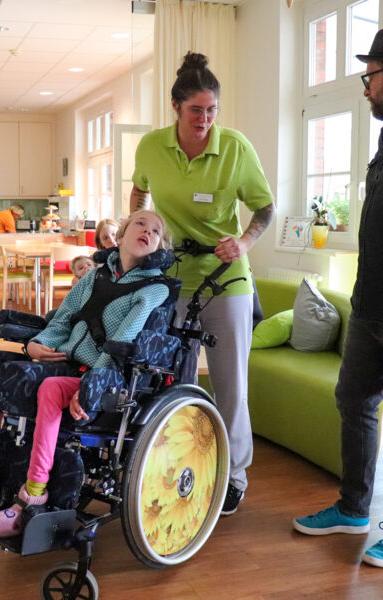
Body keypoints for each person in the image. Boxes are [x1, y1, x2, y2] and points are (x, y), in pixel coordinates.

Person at [0, 210, 172, 536]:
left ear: (159, 246)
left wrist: (91, 384)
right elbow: (61, 320)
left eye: (156, 231)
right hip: (67, 362)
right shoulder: (94, 276)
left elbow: (122, 342)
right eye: (141, 224)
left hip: (107, 375)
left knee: (50, 389)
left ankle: (33, 495)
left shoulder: (154, 288)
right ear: (121, 236)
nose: (148, 231)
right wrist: (36, 345)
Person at [130, 52, 275, 515]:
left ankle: (233, 476)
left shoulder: (235, 147)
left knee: (231, 384)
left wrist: (246, 242)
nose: (205, 120)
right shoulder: (152, 147)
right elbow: (139, 189)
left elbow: (265, 208)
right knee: (175, 377)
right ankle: (179, 464)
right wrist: (138, 223)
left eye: (212, 111)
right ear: (176, 107)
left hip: (226, 279)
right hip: (172, 276)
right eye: (196, 110)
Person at [293, 29, 383, 568]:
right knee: (354, 404)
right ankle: (354, 508)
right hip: (370, 305)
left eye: (370, 76)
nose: (365, 88)